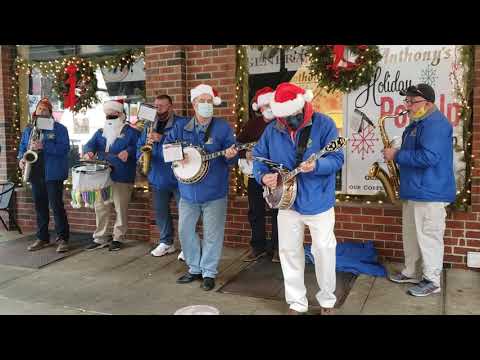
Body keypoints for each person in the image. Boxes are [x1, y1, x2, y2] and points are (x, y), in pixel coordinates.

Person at [253, 82, 344, 315]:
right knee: (289, 251)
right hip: (286, 202)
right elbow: (259, 159)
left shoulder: (324, 124)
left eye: (293, 116)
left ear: (302, 106)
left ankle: (327, 301)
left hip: (318, 201)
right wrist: (264, 178)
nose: (288, 122)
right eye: (283, 118)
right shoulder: (273, 129)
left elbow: (337, 159)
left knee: (324, 250)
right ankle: (296, 302)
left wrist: (317, 165)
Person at [164, 84, 238, 291]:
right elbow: (166, 150)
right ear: (194, 104)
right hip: (187, 192)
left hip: (215, 191)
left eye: (209, 101)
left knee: (213, 234)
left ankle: (209, 272)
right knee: (185, 230)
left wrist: (232, 156)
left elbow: (233, 157)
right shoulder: (181, 127)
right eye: (201, 101)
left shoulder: (222, 127)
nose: (205, 105)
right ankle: (194, 268)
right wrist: (180, 155)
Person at [385, 83, 456, 297]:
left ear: (428, 103)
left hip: (430, 192)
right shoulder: (417, 123)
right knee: (411, 235)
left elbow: (429, 157)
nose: (407, 106)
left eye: (412, 102)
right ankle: (412, 272)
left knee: (429, 236)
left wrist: (396, 155)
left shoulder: (435, 124)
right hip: (415, 190)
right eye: (406, 101)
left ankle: (432, 280)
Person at [83, 99, 140, 251]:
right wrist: (88, 151)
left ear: (121, 114)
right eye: (108, 114)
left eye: (113, 114)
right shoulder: (100, 132)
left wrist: (128, 152)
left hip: (122, 175)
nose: (110, 117)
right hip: (102, 176)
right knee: (100, 207)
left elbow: (139, 147)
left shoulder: (132, 132)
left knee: (120, 208)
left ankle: (118, 237)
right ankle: (100, 237)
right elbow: (89, 144)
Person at [18, 97, 70, 253]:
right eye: (39, 109)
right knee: (40, 207)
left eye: (45, 110)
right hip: (35, 172)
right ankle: (42, 237)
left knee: (56, 207)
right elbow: (22, 147)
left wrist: (44, 145)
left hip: (53, 173)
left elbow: (64, 149)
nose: (42, 111)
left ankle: (62, 238)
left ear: (50, 113)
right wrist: (21, 158)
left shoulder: (59, 129)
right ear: (36, 111)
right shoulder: (29, 129)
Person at [136, 95, 183, 257]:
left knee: (186, 213)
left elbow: (184, 147)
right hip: (156, 175)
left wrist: (162, 139)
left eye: (162, 106)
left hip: (178, 176)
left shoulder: (181, 123)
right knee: (161, 212)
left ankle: (187, 246)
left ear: (171, 106)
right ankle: (166, 242)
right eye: (156, 106)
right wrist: (141, 156)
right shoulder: (148, 124)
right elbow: (139, 145)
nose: (158, 110)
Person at [237, 87, 279, 263]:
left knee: (278, 213)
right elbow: (237, 145)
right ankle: (258, 247)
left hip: (277, 175)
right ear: (259, 108)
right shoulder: (252, 125)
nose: (268, 108)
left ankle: (277, 248)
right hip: (256, 174)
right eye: (265, 105)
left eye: (271, 104)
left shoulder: (283, 122)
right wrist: (245, 153)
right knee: (256, 211)